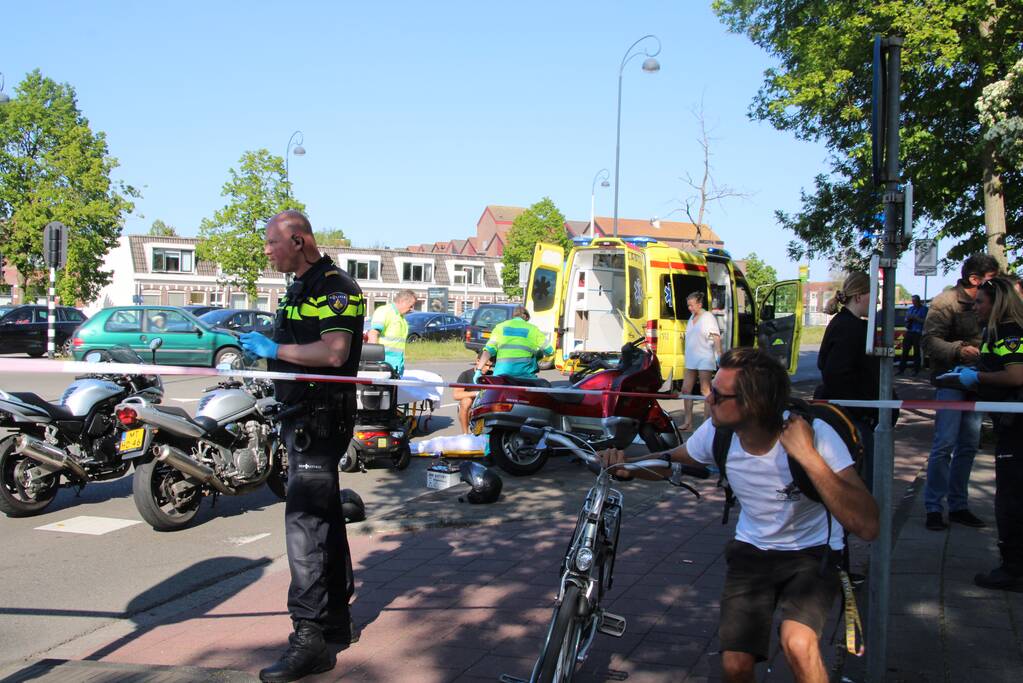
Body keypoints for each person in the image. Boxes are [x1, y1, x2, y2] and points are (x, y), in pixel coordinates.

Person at [600, 348, 878, 683]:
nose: (708, 398)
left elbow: (868, 526)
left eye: (718, 395)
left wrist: (808, 456)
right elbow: (675, 458)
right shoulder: (719, 433)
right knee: (735, 664)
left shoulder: (816, 435)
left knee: (798, 644)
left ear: (753, 404)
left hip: (813, 552)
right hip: (752, 551)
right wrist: (627, 467)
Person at [238, 210, 365, 683]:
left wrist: (273, 351)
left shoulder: (335, 287)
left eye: (271, 242)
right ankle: (334, 623)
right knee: (323, 517)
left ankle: (309, 637)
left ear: (297, 240)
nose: (266, 251)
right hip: (302, 414)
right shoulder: (300, 287)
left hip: (322, 416)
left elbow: (333, 352)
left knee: (305, 524)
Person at [921, 253, 999, 531]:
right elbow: (929, 341)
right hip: (951, 382)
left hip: (978, 381)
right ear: (974, 279)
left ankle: (958, 505)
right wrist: (959, 350)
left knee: (968, 445)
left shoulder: (994, 300)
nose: (995, 283)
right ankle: (933, 507)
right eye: (991, 279)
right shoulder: (946, 301)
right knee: (944, 444)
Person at [954, 277, 1023, 591]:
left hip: (1016, 427)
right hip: (1009, 422)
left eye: (980, 301)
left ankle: (1013, 569)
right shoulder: (1000, 330)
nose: (975, 306)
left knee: (1010, 497)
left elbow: (1016, 374)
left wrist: (976, 377)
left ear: (997, 303)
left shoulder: (1009, 331)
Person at [815, 271, 879, 490]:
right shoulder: (849, 327)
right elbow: (835, 374)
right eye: (873, 295)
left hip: (850, 415)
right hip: (852, 419)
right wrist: (864, 409)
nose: (877, 301)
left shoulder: (845, 324)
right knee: (859, 486)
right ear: (859, 296)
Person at [679, 291, 722, 432]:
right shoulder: (691, 318)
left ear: (699, 304)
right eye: (688, 305)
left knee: (705, 390)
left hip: (704, 357)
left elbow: (716, 337)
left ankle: (706, 424)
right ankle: (688, 423)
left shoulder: (708, 317)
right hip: (691, 358)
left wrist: (719, 354)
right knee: (686, 390)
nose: (689, 308)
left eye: (691, 305)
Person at [475, 306, 554, 380]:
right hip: (525, 376)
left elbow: (488, 350)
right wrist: (538, 355)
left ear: (513, 316)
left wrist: (479, 370)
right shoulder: (533, 329)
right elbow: (549, 350)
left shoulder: (500, 327)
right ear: (526, 317)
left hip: (501, 375)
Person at [366, 290, 416, 377]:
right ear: (403, 301)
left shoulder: (401, 318)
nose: (412, 309)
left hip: (395, 366)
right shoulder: (385, 311)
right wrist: (374, 362)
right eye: (411, 306)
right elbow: (373, 333)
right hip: (383, 367)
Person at [453, 352, 494, 434]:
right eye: (486, 365)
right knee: (466, 401)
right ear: (478, 361)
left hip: (484, 407)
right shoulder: (466, 374)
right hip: (470, 407)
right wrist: (477, 393)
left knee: (478, 434)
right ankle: (465, 434)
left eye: (490, 366)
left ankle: (479, 432)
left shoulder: (492, 375)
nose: (488, 368)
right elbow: (456, 395)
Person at [898, 294, 928, 375]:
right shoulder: (911, 308)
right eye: (913, 301)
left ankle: (916, 370)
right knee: (905, 351)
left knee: (916, 352)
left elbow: (925, 321)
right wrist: (908, 318)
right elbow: (906, 319)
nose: (913, 302)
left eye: (915, 301)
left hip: (918, 332)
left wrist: (916, 318)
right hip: (909, 331)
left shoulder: (924, 309)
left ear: (918, 301)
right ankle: (901, 369)